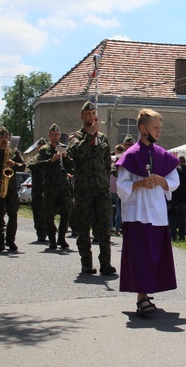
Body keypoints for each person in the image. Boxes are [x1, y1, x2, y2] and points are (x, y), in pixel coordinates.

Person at [116, 109, 180, 316]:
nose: (159, 131)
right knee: (141, 256)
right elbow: (121, 186)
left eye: (160, 128)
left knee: (155, 256)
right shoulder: (130, 155)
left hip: (157, 213)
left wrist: (162, 181)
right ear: (143, 129)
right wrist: (141, 183)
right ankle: (141, 297)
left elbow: (174, 181)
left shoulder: (162, 155)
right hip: (138, 213)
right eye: (155, 128)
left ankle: (149, 290)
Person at [66, 101, 116, 275]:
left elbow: (107, 162)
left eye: (93, 113)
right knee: (83, 228)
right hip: (83, 190)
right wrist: (89, 137)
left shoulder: (102, 138)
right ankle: (87, 263)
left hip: (101, 189)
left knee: (104, 228)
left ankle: (106, 263)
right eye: (87, 113)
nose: (91, 116)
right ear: (82, 116)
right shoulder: (76, 138)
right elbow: (75, 155)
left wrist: (105, 177)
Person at [37, 124, 72, 250]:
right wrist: (50, 160)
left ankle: (61, 238)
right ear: (49, 136)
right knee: (49, 214)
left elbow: (72, 165)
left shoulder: (63, 148)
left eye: (57, 135)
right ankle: (52, 239)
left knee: (66, 211)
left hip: (63, 186)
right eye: (53, 135)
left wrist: (65, 157)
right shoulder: (44, 150)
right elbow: (38, 165)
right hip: (50, 186)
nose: (55, 137)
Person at [169, 156, 186, 242]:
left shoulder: (176, 171)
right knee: (182, 218)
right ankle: (182, 236)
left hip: (176, 198)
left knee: (172, 217)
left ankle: (173, 235)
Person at [27, 138, 47, 242]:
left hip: (48, 189)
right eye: (40, 146)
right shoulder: (34, 158)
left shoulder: (50, 157)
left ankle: (48, 230)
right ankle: (40, 232)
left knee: (47, 211)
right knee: (38, 212)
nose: (42, 148)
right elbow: (31, 166)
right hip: (37, 190)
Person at [110, 144, 125, 236]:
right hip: (119, 188)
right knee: (119, 210)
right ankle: (118, 229)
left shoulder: (112, 158)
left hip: (110, 187)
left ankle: (111, 227)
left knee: (110, 209)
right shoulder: (124, 158)